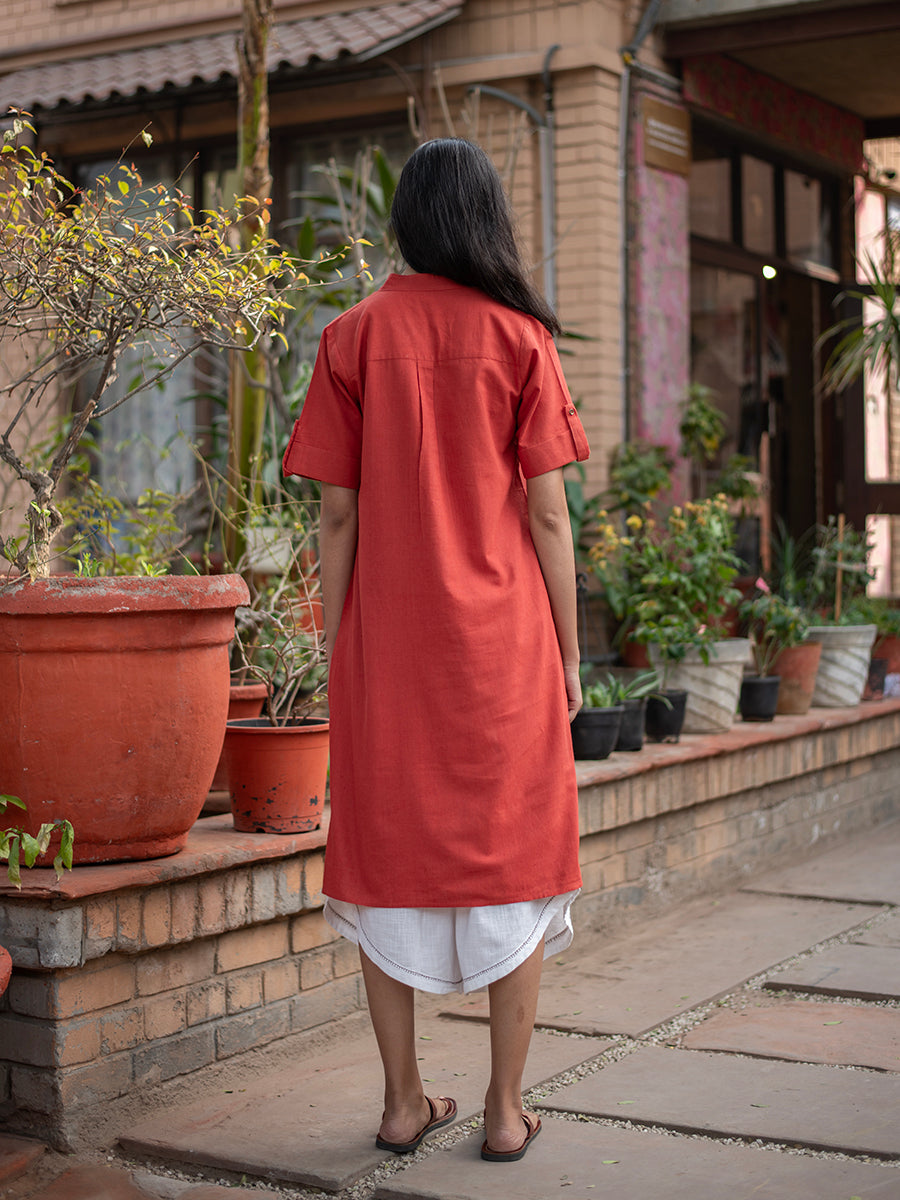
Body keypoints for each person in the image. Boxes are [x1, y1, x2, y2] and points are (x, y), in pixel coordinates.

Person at [282, 137, 589, 1164]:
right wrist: (571, 655)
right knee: (520, 860)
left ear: (409, 221)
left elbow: (336, 517)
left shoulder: (352, 336)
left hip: (390, 652)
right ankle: (506, 1112)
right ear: (484, 220)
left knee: (382, 862)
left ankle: (405, 1102)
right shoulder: (521, 339)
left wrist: (339, 645)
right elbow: (550, 518)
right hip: (503, 654)